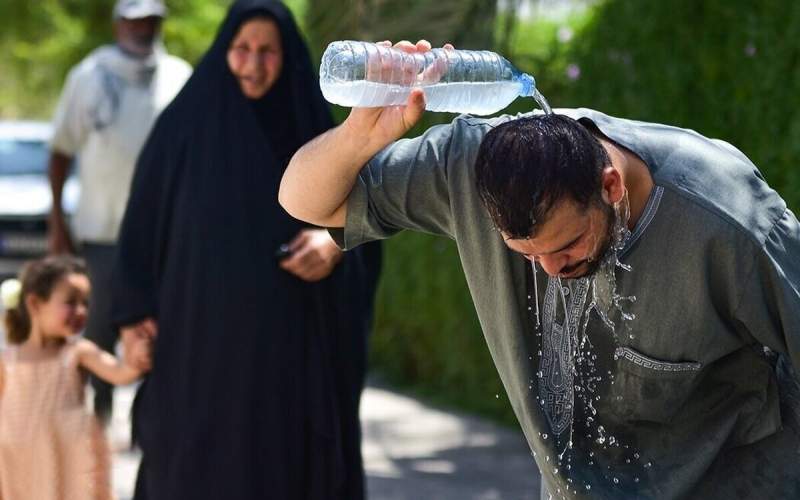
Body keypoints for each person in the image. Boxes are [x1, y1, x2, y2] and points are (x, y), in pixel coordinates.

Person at [279, 40, 800, 499]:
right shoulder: (470, 165)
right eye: (527, 255)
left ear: (610, 186)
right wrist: (360, 135)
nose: (551, 270)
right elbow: (305, 201)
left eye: (568, 245)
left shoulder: (727, 218)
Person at [111, 1, 381, 499]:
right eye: (242, 49)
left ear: (290, 57)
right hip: (196, 352)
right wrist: (130, 317)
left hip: (288, 358)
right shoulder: (183, 128)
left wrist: (335, 242)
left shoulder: (315, 128)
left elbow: (370, 218)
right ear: (223, 51)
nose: (254, 64)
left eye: (268, 52)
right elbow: (142, 224)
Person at [46, 0, 191, 424]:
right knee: (98, 330)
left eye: (151, 20)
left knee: (163, 331)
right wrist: (58, 222)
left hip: (165, 237)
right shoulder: (88, 76)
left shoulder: (179, 77)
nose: (142, 28)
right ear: (118, 23)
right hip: (102, 234)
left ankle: (154, 425)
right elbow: (60, 151)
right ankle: (99, 418)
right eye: (134, 20)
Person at [0, 255, 151, 500]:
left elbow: (120, 374)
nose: (81, 311)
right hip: (19, 466)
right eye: (71, 302)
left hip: (67, 463)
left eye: (85, 302)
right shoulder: (8, 360)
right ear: (35, 304)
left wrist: (137, 358)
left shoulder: (78, 352)